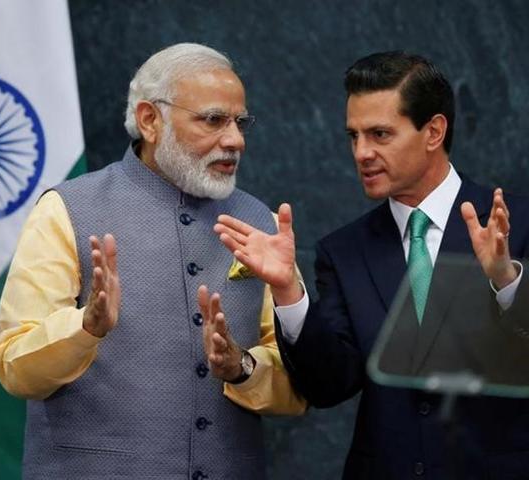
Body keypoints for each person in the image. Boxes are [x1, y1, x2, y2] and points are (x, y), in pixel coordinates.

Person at [0, 43, 305, 480]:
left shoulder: (262, 224)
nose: (235, 140)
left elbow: (300, 387)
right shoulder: (66, 210)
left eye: (240, 122)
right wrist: (86, 328)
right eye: (213, 120)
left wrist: (242, 368)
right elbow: (14, 366)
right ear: (149, 120)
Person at [212, 51, 529, 479]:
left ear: (434, 130)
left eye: (380, 134)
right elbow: (329, 386)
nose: (362, 153)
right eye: (354, 136)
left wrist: (506, 283)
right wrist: (288, 291)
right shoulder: (344, 251)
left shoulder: (516, 223)